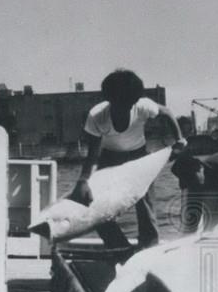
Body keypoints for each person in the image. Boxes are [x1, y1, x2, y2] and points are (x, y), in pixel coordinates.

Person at [68, 68, 186, 249]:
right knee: (97, 208)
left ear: (135, 101)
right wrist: (83, 181)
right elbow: (92, 155)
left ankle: (148, 248)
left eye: (129, 104)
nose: (125, 108)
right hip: (109, 159)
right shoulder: (97, 116)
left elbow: (167, 112)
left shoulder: (142, 105)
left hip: (138, 156)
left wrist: (179, 139)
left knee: (146, 207)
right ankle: (121, 249)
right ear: (110, 100)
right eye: (120, 104)